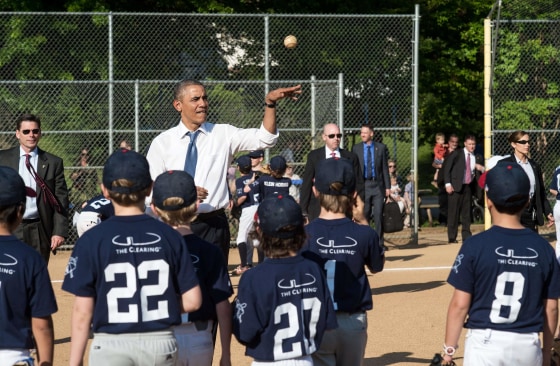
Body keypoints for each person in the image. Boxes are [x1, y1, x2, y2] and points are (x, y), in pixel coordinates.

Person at [62, 148, 202, 366]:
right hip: (159, 341)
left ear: (105, 191)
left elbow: (82, 310)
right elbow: (193, 301)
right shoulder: (170, 236)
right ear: (149, 189)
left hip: (110, 343)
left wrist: (75, 361)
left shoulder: (91, 240)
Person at [146, 79, 302, 264]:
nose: (203, 104)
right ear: (178, 105)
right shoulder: (162, 142)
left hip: (214, 227)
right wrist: (182, 192)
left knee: (215, 289)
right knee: (179, 286)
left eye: (205, 98)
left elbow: (266, 139)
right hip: (174, 225)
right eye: (195, 99)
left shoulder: (223, 134)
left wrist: (270, 103)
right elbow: (149, 188)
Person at [441, 161, 560, 365]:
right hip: (527, 344)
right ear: (527, 201)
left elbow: (459, 306)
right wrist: (547, 354)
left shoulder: (474, 245)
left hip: (484, 343)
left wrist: (448, 351)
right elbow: (551, 308)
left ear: (488, 201)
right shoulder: (544, 249)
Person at [232, 194, 338, 365]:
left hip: (267, 361)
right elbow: (327, 322)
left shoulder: (253, 277)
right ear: (301, 231)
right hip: (306, 360)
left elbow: (245, 333)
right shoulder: (314, 269)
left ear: (259, 231)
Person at [302, 158, 385, 366]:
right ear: (354, 194)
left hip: (317, 320)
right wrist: (364, 221)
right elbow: (377, 266)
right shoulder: (364, 233)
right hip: (352, 322)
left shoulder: (303, 235)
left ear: (315, 192)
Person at [151, 170, 233, 366]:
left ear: (154, 209)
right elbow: (222, 305)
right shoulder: (211, 251)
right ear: (197, 206)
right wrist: (226, 355)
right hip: (199, 339)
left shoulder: (149, 251)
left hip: (158, 337)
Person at [0, 166, 58, 366]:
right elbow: (41, 324)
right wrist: (46, 362)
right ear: (20, 211)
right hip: (13, 356)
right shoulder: (30, 258)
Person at [0, 113, 69, 263]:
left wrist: (59, 231)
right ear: (17, 134)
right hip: (9, 227)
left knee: (37, 275)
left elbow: (60, 200)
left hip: (40, 229)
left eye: (35, 131)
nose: (31, 135)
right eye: (26, 131)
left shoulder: (53, 162)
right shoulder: (2, 159)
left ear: (40, 133)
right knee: (10, 273)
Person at [300, 123, 364, 222]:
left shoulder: (350, 157)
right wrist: (303, 211)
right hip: (319, 209)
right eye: (331, 136)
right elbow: (307, 183)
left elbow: (358, 183)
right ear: (324, 137)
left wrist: (356, 209)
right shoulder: (314, 156)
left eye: (338, 135)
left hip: (344, 209)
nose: (336, 138)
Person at [501, 130, 554, 231]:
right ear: (513, 144)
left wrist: (548, 212)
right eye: (523, 142)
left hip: (530, 212)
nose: (527, 145)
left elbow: (541, 192)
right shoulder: (504, 164)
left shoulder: (534, 166)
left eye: (528, 142)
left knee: (530, 244)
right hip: (512, 213)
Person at [351, 123, 390, 249]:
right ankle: (365, 243)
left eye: (365, 132)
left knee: (378, 215)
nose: (362, 134)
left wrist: (387, 187)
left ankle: (379, 244)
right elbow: (354, 170)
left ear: (371, 134)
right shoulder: (356, 148)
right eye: (361, 132)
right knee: (365, 214)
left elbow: (384, 168)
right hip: (364, 186)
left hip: (377, 186)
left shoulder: (381, 148)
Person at [442, 134, 484, 244]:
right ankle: (452, 237)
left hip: (468, 186)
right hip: (455, 186)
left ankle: (466, 235)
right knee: (453, 213)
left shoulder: (476, 156)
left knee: (466, 213)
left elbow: (478, 170)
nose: (472, 146)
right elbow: (447, 168)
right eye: (469, 144)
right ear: (465, 144)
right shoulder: (457, 154)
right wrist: (447, 184)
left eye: (473, 144)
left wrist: (480, 168)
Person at [233, 155, 260, 276]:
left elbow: (243, 197)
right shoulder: (258, 177)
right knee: (255, 237)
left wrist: (234, 205)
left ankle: (243, 265)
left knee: (241, 238)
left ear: (238, 168)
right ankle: (256, 262)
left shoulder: (239, 181)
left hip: (248, 210)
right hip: (260, 207)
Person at [437, 133, 459, 226]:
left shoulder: (459, 153)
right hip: (443, 180)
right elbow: (435, 162)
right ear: (449, 142)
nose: (454, 144)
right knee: (444, 201)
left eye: (456, 142)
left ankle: (453, 220)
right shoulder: (444, 152)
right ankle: (443, 220)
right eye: (452, 142)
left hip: (454, 180)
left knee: (454, 202)